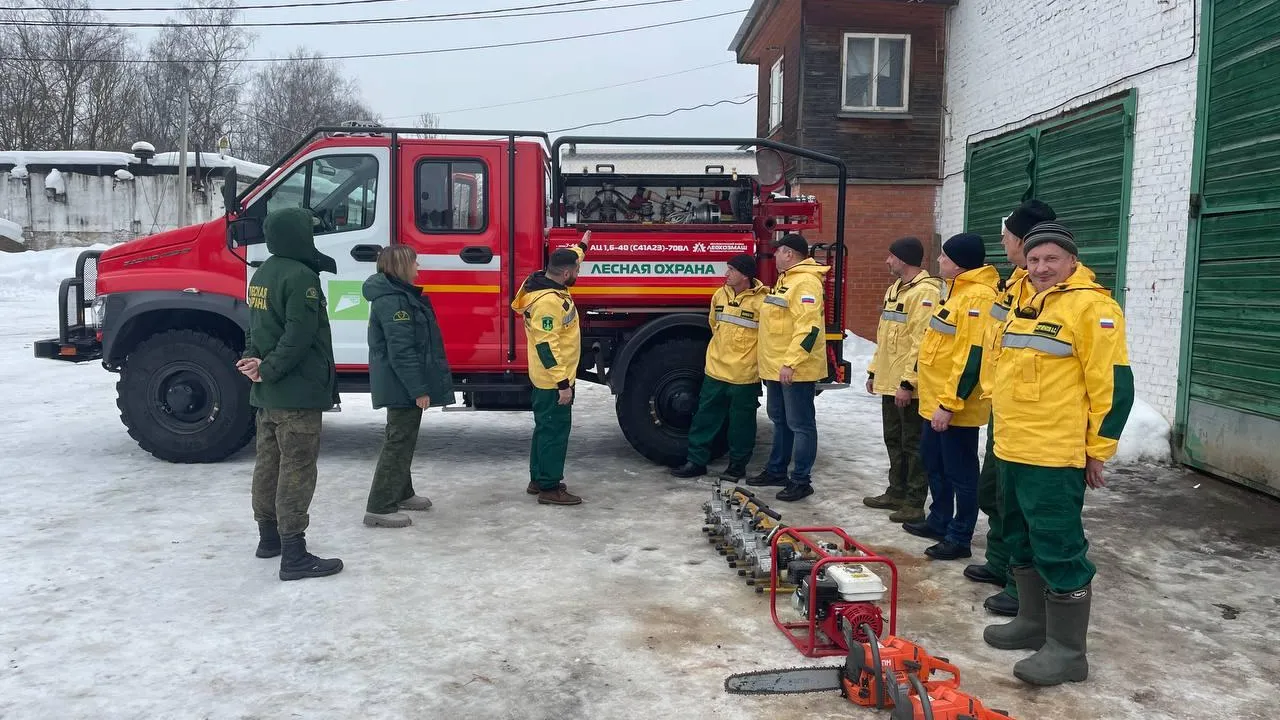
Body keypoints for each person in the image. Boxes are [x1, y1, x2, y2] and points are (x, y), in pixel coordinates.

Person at [983, 222, 1133, 686]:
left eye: (1051, 259)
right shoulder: (1021, 303)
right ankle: (1033, 623)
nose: (1041, 267)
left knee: (1058, 544)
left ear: (1072, 260)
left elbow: (1115, 387)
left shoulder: (1093, 308)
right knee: (1016, 535)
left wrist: (1097, 451)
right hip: (1011, 445)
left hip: (1053, 453)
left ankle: (1069, 652)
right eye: (1033, 259)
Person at [237, 206, 343, 582]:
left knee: (268, 464)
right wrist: (270, 367)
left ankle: (269, 539)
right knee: (297, 469)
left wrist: (254, 361)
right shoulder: (302, 278)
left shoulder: (262, 273)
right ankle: (294, 554)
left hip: (267, 395)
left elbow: (255, 329)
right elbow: (298, 336)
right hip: (296, 394)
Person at [967, 199, 1057, 617]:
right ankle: (1001, 561)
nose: (1001, 240)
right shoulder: (1014, 285)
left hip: (1037, 421)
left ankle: (1021, 586)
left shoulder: (1057, 295)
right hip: (1002, 407)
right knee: (996, 492)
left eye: (1006, 234)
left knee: (1022, 506)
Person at [902, 232, 998, 561]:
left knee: (961, 473)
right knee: (934, 463)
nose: (939, 261)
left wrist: (949, 405)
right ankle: (939, 520)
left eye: (944, 257)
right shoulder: (955, 292)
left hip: (955, 408)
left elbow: (971, 357)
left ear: (958, 263)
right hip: (935, 403)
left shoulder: (978, 298)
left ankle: (960, 536)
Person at [361, 245, 455, 528]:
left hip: (400, 383)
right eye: (415, 263)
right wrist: (418, 389)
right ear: (402, 267)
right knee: (398, 441)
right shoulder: (394, 302)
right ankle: (379, 506)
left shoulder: (399, 296)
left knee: (403, 437)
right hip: (400, 384)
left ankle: (401, 492)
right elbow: (401, 351)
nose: (418, 268)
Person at [863, 237, 944, 524]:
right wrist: (874, 371)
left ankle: (913, 501)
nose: (887, 261)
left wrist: (908, 383)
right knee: (893, 440)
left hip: (908, 387)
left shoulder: (925, 293)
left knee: (913, 444)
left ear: (904, 259)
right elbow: (885, 337)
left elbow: (921, 343)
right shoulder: (895, 290)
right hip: (889, 380)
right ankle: (895, 491)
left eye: (891, 256)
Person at [748, 233, 830, 502]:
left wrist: (791, 363)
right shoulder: (786, 280)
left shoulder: (805, 282)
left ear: (790, 254)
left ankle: (801, 480)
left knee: (801, 425)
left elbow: (809, 329)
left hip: (794, 369)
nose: (774, 256)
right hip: (777, 368)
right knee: (780, 421)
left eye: (778, 252)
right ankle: (776, 470)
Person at [670, 254, 768, 481]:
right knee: (704, 418)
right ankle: (696, 462)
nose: (726, 274)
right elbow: (715, 325)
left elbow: (768, 337)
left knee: (741, 425)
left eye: (731, 270)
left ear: (745, 275)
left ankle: (737, 467)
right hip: (716, 370)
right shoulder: (719, 295)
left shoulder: (763, 301)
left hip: (745, 375)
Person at [511, 233, 591, 506]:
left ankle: (538, 478)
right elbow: (547, 347)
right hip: (552, 380)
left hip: (548, 378)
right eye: (577, 270)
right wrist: (562, 384)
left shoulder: (541, 280)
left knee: (544, 428)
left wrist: (581, 246)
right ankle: (549, 487)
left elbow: (570, 258)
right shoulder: (547, 302)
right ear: (566, 273)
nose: (578, 273)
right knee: (554, 432)